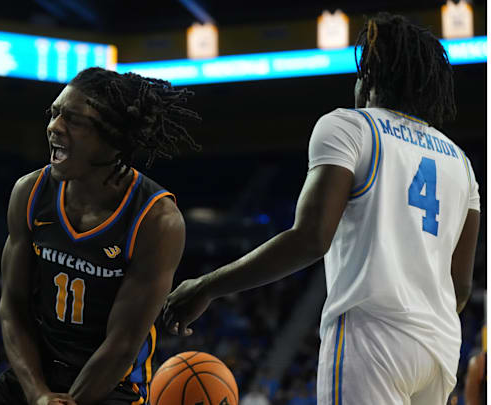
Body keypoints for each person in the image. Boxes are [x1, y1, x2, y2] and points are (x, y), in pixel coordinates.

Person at [163, 12, 480, 405]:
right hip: (440, 348)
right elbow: (460, 287)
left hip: (372, 337)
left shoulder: (350, 126)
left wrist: (207, 286)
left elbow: (311, 238)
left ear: (372, 77)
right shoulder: (461, 162)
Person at [0, 67, 201, 405]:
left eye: (73, 120)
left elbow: (122, 345)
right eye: (54, 113)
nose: (53, 126)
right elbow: (13, 307)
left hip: (109, 388)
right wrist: (38, 395)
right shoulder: (30, 192)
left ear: (113, 137)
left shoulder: (157, 221)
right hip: (34, 380)